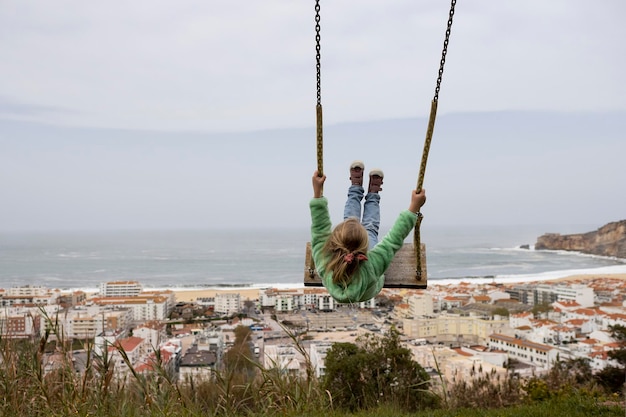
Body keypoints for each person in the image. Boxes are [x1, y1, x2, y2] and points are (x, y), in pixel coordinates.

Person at [310, 161, 427, 303]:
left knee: (365, 227)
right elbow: (320, 230)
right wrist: (415, 206)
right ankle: (367, 192)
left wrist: (412, 208)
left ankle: (360, 189)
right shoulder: (370, 266)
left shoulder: (325, 263)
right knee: (365, 226)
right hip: (371, 286)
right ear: (363, 248)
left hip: (367, 283)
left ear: (334, 242)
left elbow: (320, 229)